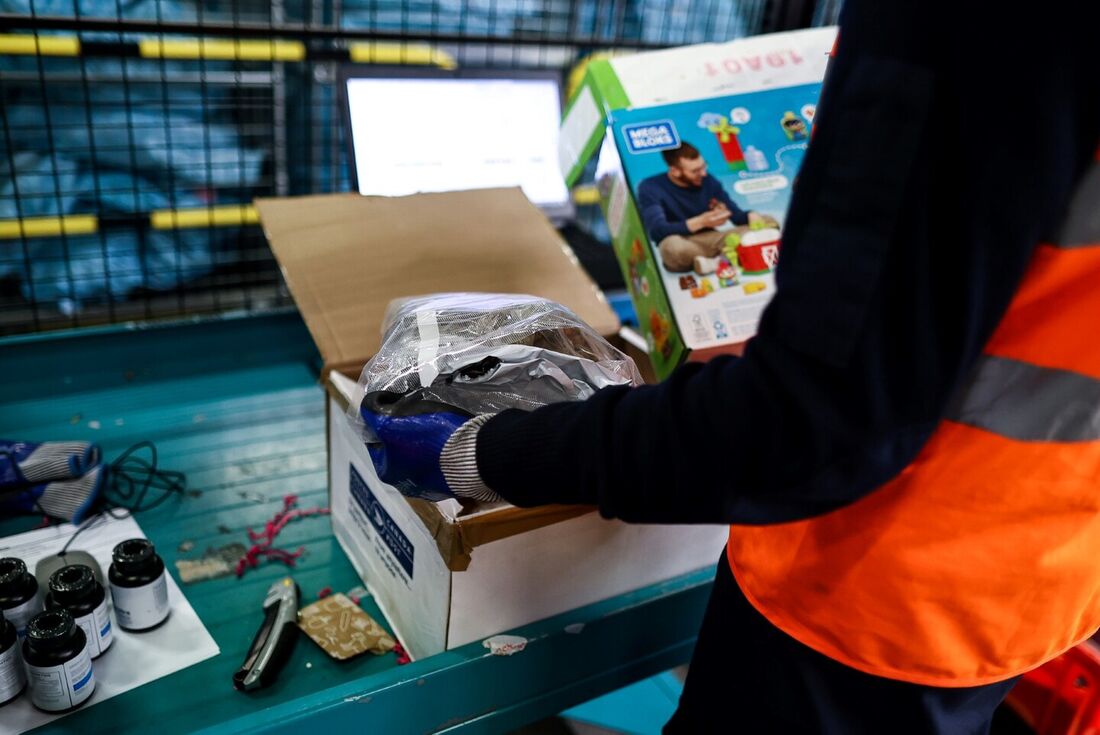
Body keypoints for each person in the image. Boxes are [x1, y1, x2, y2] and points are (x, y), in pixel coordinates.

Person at [360, 1, 1100, 732]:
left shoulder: (968, 22)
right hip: (1033, 574)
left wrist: (478, 452)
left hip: (864, 596)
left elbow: (806, 424)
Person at [637, 141, 764, 274]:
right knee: (671, 248)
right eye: (695, 171)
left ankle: (715, 262)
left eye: (704, 166)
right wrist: (701, 222)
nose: (703, 173)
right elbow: (657, 231)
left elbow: (736, 216)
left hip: (714, 239)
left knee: (767, 221)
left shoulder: (708, 181)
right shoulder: (651, 187)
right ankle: (727, 256)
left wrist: (750, 215)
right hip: (683, 243)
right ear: (675, 171)